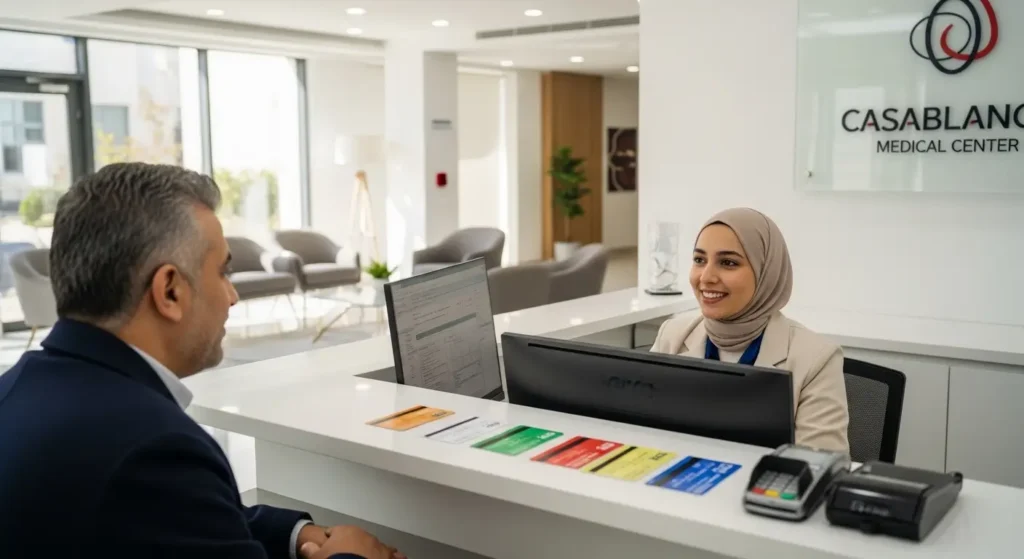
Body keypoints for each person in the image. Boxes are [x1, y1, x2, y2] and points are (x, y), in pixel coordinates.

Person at [0, 163, 401, 559]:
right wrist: (351, 556)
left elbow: (172, 518)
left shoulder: (14, 390)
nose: (232, 296)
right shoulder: (155, 446)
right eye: (223, 273)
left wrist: (296, 534)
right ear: (170, 291)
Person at [650, 207, 849, 454]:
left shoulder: (816, 358)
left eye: (728, 263)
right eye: (699, 260)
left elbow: (819, 466)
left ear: (766, 271)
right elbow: (640, 430)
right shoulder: (673, 335)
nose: (707, 277)